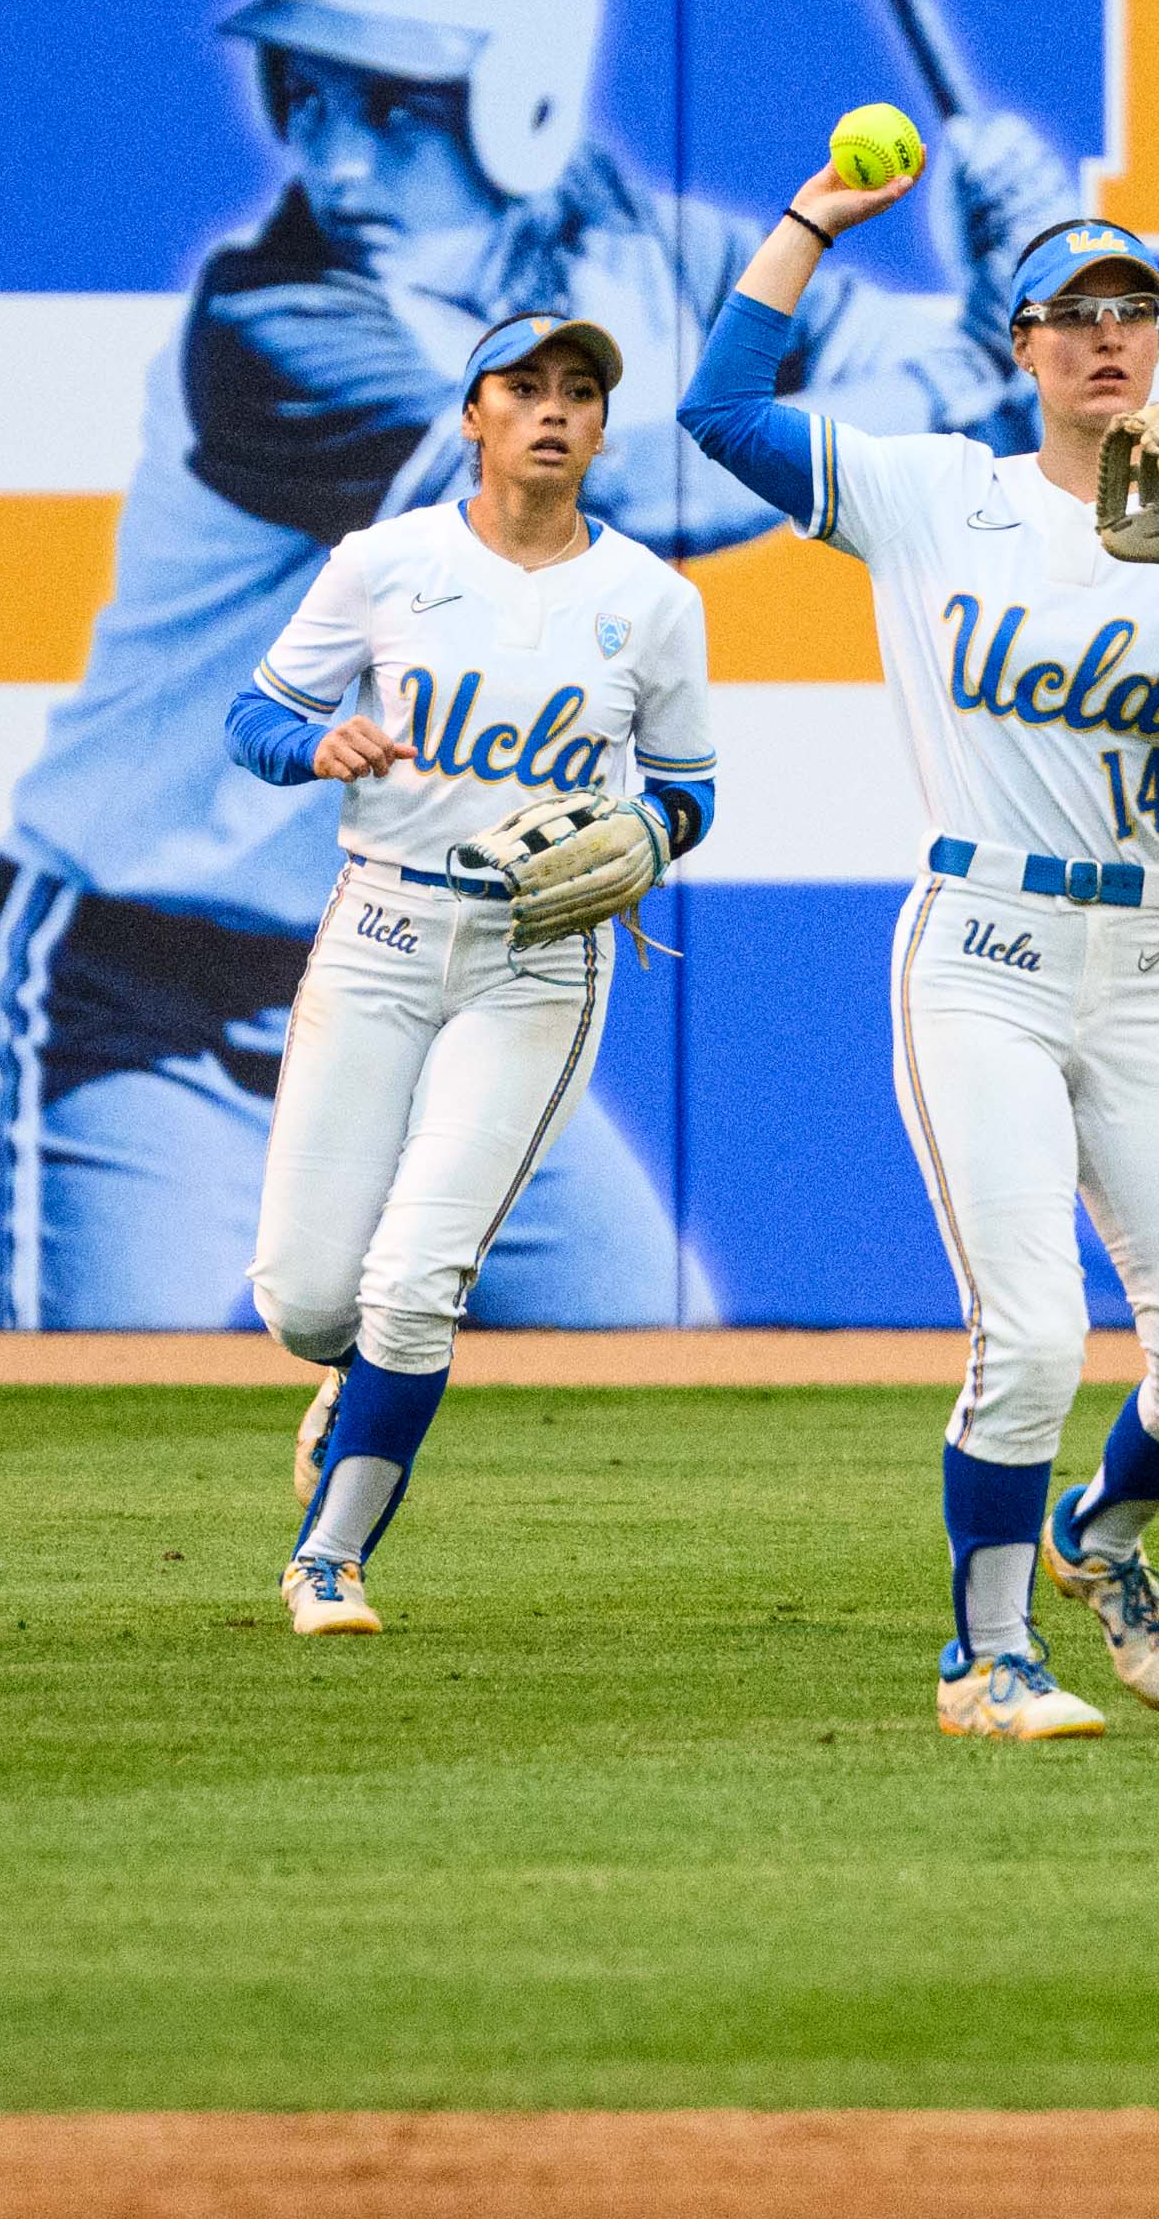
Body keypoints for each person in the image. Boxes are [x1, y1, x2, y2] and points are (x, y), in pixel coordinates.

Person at [0, 0, 1062, 1332]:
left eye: (398, 109)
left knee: (646, 1355)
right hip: (146, 988)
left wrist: (1023, 269)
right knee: (84, 1419)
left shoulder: (644, 251)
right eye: (309, 94)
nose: (336, 158)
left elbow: (908, 403)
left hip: (438, 960)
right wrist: (979, 348)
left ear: (521, 103)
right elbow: (610, 483)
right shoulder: (278, 318)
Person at [677, 153, 1159, 1740]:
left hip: (1154, 966)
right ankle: (984, 1655)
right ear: (1020, 346)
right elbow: (722, 411)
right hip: (981, 947)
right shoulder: (938, 491)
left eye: (1134, 312)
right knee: (1028, 1331)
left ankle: (1101, 1540)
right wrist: (810, 223)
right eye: (1072, 314)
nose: (1107, 337)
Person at [227, 312, 715, 1636]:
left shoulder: (653, 604)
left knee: (416, 1275)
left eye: (578, 391)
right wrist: (310, 747)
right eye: (523, 387)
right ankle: (355, 1374)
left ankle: (328, 1554)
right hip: (378, 927)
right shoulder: (388, 564)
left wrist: (648, 835)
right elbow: (253, 713)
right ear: (474, 415)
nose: (552, 409)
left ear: (604, 429)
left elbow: (686, 791)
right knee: (307, 1294)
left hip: (536, 959)